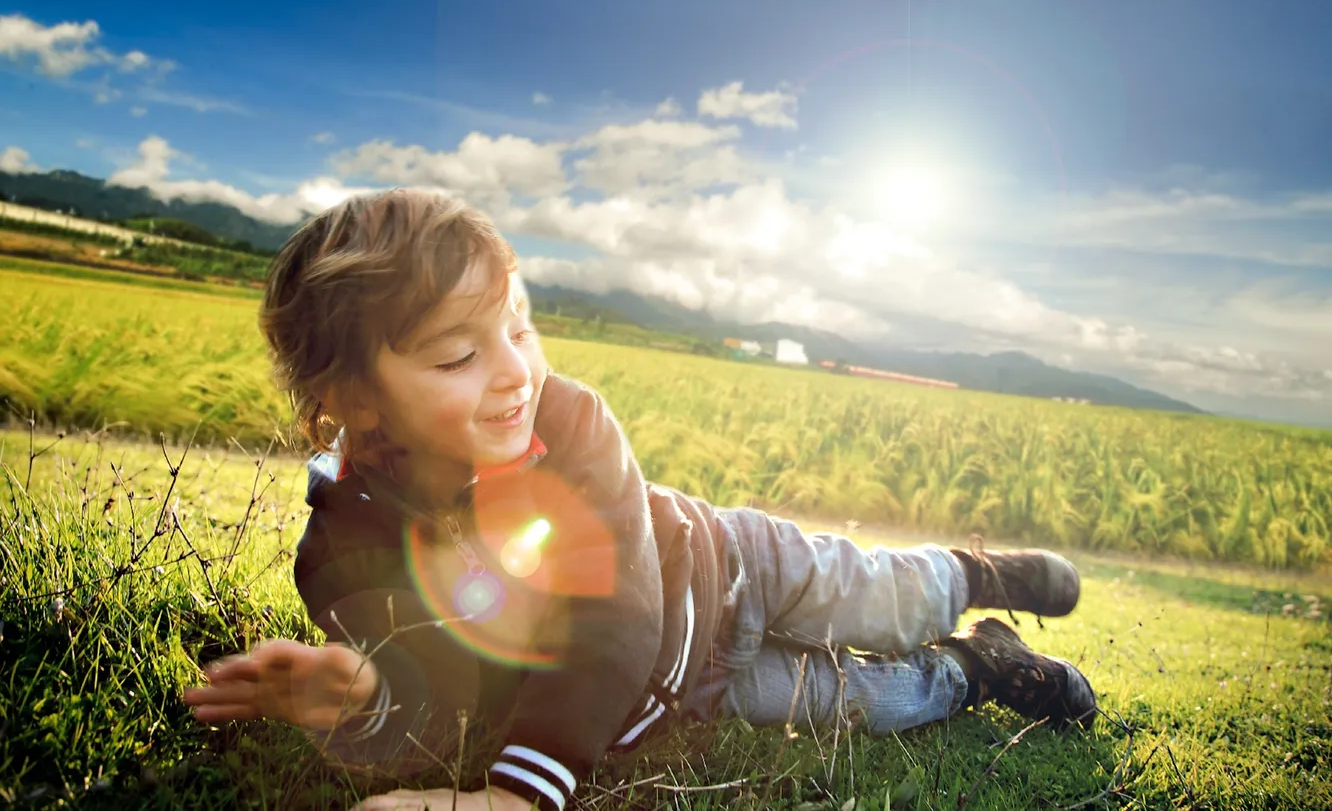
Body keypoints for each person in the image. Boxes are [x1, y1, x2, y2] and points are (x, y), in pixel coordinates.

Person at [183, 189, 1096, 811]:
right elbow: (442, 689)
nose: (513, 373)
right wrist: (368, 692)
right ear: (351, 400)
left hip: (730, 563)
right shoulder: (343, 553)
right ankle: (981, 669)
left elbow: (613, 615)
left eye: (517, 327)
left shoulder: (570, 422)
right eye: (459, 355)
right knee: (877, 701)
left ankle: (974, 576)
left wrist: (518, 792)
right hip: (704, 684)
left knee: (883, 596)